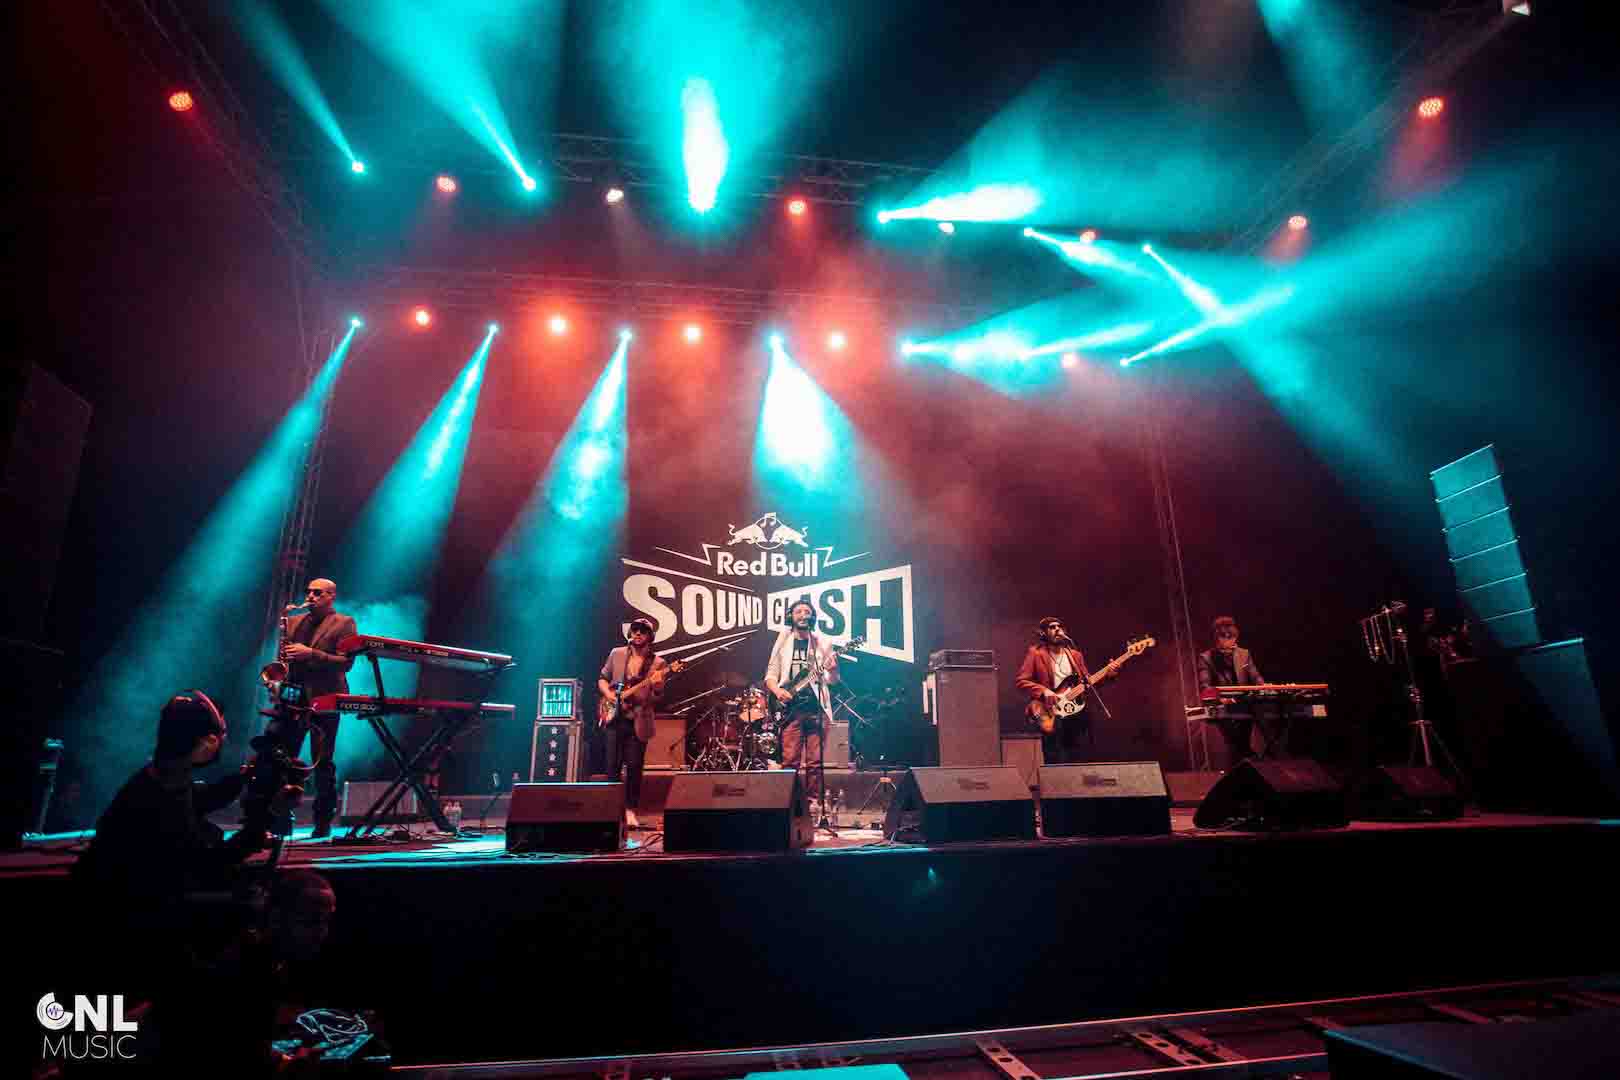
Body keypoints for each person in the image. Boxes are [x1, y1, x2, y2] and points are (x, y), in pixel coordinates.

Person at [72, 690, 302, 1001]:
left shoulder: (159, 778)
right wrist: (268, 816)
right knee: (249, 907)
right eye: (221, 735)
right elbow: (208, 865)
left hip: (126, 906)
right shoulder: (162, 798)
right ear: (206, 743)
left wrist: (246, 776)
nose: (223, 741)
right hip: (137, 921)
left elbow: (202, 799)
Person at [281, 578, 357, 838]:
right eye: (308, 592)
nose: (310, 596)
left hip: (325, 697)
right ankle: (280, 819)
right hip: (292, 696)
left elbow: (346, 663)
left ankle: (323, 821)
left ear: (331, 596)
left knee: (322, 761)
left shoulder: (344, 623)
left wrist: (311, 654)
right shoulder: (292, 621)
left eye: (317, 593)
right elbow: (284, 659)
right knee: (283, 757)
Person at [764, 599, 841, 804]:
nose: (803, 615)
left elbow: (832, 680)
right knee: (790, 760)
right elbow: (770, 674)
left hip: (816, 708)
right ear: (791, 616)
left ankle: (813, 803)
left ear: (812, 617)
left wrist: (833, 670)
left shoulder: (822, 643)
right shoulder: (784, 640)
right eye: (799, 611)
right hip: (791, 710)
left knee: (815, 762)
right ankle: (789, 803)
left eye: (807, 611)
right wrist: (778, 691)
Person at [597, 617, 670, 828]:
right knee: (611, 766)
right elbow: (602, 679)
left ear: (650, 637)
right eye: (635, 630)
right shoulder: (616, 653)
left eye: (643, 631)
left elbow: (657, 698)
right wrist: (609, 695)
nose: (638, 633)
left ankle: (630, 810)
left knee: (635, 767)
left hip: (638, 720)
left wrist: (657, 687)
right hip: (614, 717)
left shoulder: (658, 663)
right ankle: (611, 810)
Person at [1016, 617, 1093, 764]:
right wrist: (1044, 691)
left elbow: (1088, 683)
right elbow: (1022, 681)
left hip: (1075, 711)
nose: (1057, 629)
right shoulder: (1036, 653)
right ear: (1043, 633)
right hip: (1051, 711)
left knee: (1079, 756)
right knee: (1055, 757)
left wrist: (1109, 674)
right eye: (1052, 627)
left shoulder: (1075, 655)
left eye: (1059, 627)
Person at [1197, 616, 1266, 766]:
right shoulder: (1206, 658)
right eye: (1224, 638)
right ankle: (1252, 758)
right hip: (1221, 703)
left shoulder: (1244, 654)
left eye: (1231, 638)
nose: (1228, 641)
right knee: (1236, 741)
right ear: (1217, 639)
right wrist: (1220, 699)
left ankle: (1247, 760)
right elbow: (1205, 685)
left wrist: (1265, 688)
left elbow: (1255, 676)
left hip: (1244, 703)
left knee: (1238, 743)